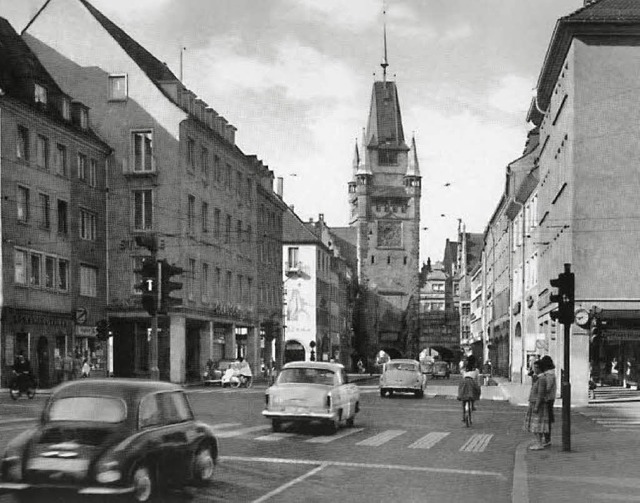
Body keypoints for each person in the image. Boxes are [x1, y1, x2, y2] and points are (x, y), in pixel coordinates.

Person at [523, 360, 549, 450]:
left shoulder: (542, 379)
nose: (534, 369)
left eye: (535, 367)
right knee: (537, 424)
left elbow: (540, 393)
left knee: (537, 424)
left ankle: (539, 443)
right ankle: (539, 442)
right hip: (534, 402)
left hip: (537, 404)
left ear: (539, 368)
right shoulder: (538, 378)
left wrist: (537, 405)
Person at [539, 355, 556, 448]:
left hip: (547, 399)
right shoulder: (549, 374)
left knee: (546, 419)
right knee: (547, 419)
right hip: (549, 398)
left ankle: (547, 439)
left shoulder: (549, 375)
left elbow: (547, 387)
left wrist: (541, 393)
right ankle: (546, 438)